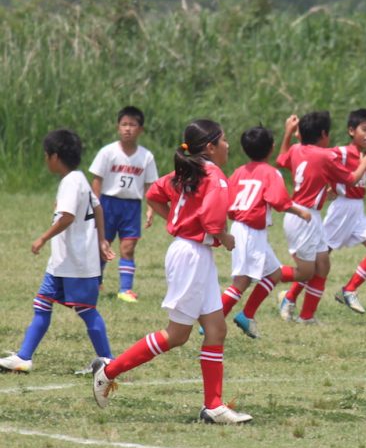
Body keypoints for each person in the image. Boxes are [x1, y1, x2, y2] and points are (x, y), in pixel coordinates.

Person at [92, 119, 252, 424]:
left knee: (216, 329)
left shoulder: (187, 170)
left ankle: (213, 406)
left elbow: (154, 194)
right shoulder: (214, 176)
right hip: (191, 255)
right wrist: (225, 237)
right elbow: (212, 222)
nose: (228, 145)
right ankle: (108, 371)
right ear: (210, 147)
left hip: (193, 253)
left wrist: (178, 221)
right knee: (177, 335)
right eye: (224, 140)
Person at [0, 129, 114, 373]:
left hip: (76, 261)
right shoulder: (80, 179)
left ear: (54, 156)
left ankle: (107, 362)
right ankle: (23, 357)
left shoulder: (71, 182)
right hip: (62, 262)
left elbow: (68, 217)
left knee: (87, 310)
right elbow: (98, 207)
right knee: (42, 303)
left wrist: (43, 237)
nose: (45, 159)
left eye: (46, 155)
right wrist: (102, 240)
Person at [274, 111, 366, 324]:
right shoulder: (327, 155)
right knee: (307, 271)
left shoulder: (297, 148)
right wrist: (363, 165)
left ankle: (307, 316)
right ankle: (269, 276)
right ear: (323, 134)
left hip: (308, 215)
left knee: (322, 265)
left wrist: (288, 133)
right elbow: (350, 179)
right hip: (305, 216)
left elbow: (281, 159)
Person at [219, 125, 311, 339]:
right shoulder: (271, 173)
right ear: (271, 148)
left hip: (242, 228)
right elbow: (279, 201)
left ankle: (247, 315)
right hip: (251, 231)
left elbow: (227, 202)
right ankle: (215, 320)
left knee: (274, 273)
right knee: (241, 282)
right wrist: (300, 211)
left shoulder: (239, 172)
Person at [89, 106, 158, 303]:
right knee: (103, 245)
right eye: (124, 124)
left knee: (128, 247)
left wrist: (150, 208)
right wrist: (95, 205)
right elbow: (97, 179)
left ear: (140, 129)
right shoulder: (107, 152)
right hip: (108, 204)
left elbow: (150, 185)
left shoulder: (146, 156)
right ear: (118, 127)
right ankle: (95, 282)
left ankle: (125, 289)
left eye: (132, 125)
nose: (128, 129)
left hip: (131, 207)